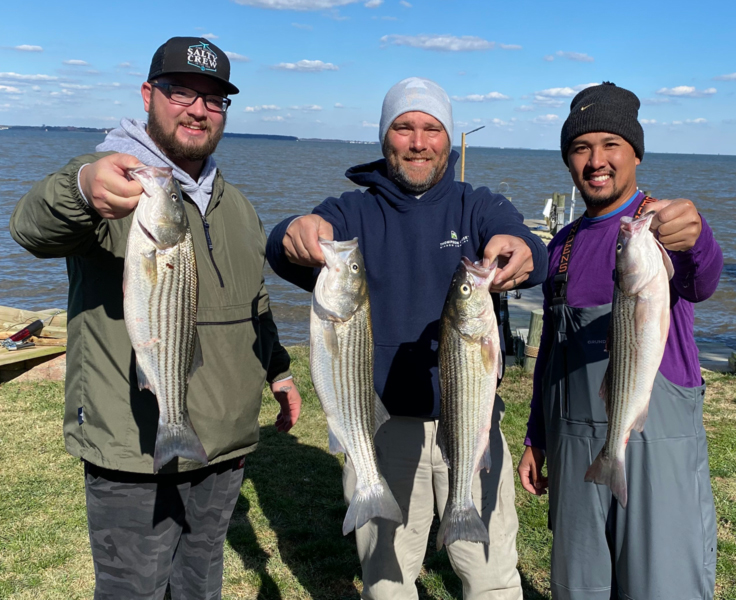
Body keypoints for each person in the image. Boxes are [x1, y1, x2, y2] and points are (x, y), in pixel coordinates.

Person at [10, 37, 302, 599]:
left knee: (200, 584)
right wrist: (80, 188)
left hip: (223, 444)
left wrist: (280, 369)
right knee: (133, 589)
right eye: (181, 92)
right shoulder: (111, 183)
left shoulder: (235, 204)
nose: (198, 109)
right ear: (149, 95)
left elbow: (253, 302)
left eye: (214, 100)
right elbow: (30, 228)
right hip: (131, 447)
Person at [266, 77, 548, 600]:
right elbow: (283, 245)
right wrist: (293, 232)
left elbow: (528, 248)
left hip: (472, 425)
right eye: (404, 127)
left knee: (492, 578)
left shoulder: (478, 206)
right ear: (384, 136)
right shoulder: (353, 212)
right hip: (383, 427)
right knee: (389, 582)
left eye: (431, 128)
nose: (418, 141)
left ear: (447, 137)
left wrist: (522, 251)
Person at [517, 82, 722, 600]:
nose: (596, 161)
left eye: (611, 144)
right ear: (568, 160)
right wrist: (536, 436)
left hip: (657, 442)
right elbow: (550, 358)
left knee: (662, 585)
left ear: (635, 152)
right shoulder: (561, 245)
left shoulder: (664, 228)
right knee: (578, 586)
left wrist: (698, 240)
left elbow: (702, 281)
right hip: (575, 449)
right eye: (581, 148)